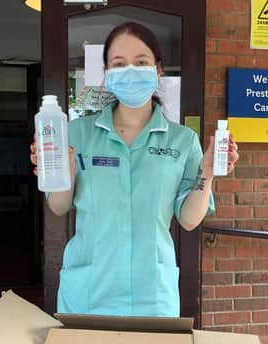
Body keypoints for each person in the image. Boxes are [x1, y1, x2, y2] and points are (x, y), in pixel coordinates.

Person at [30, 21, 238, 317]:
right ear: (106, 74)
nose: (130, 71)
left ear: (157, 71)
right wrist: (60, 172)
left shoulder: (182, 140)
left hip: (151, 294)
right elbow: (59, 207)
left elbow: (190, 220)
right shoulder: (75, 134)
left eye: (141, 62)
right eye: (119, 63)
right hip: (89, 291)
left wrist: (208, 170)